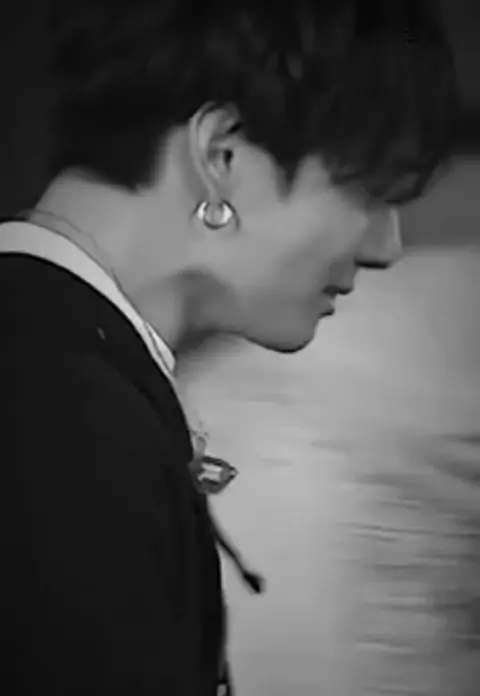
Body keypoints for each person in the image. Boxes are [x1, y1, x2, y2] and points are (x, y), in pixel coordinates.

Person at [0, 1, 457, 693]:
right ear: (222, 156)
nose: (386, 247)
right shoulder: (58, 422)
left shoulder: (64, 370)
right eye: (369, 189)